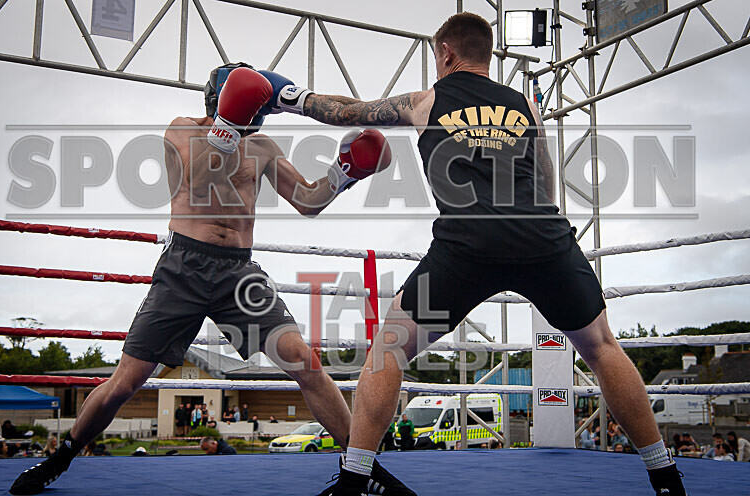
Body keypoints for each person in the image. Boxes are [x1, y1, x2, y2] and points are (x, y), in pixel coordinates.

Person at [260, 12, 687, 495]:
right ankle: (666, 477)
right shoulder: (525, 106)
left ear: (445, 52)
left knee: (388, 352)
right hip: (541, 237)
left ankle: (355, 480)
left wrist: (287, 96)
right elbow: (545, 183)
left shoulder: (428, 100)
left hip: (466, 244)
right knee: (602, 347)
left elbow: (345, 112)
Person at [10, 63, 411, 496]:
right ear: (225, 101)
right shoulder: (182, 131)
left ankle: (361, 466)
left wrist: (343, 174)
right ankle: (62, 456)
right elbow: (201, 176)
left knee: (306, 361)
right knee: (126, 381)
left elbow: (306, 201)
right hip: (184, 266)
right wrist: (226, 127)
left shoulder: (263, 148)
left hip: (239, 272)